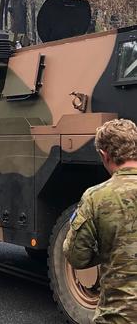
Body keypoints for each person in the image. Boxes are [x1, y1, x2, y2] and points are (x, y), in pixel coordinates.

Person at [63, 119, 137, 324]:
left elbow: (76, 256)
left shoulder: (96, 197)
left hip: (118, 316)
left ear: (104, 155)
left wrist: (109, 250)